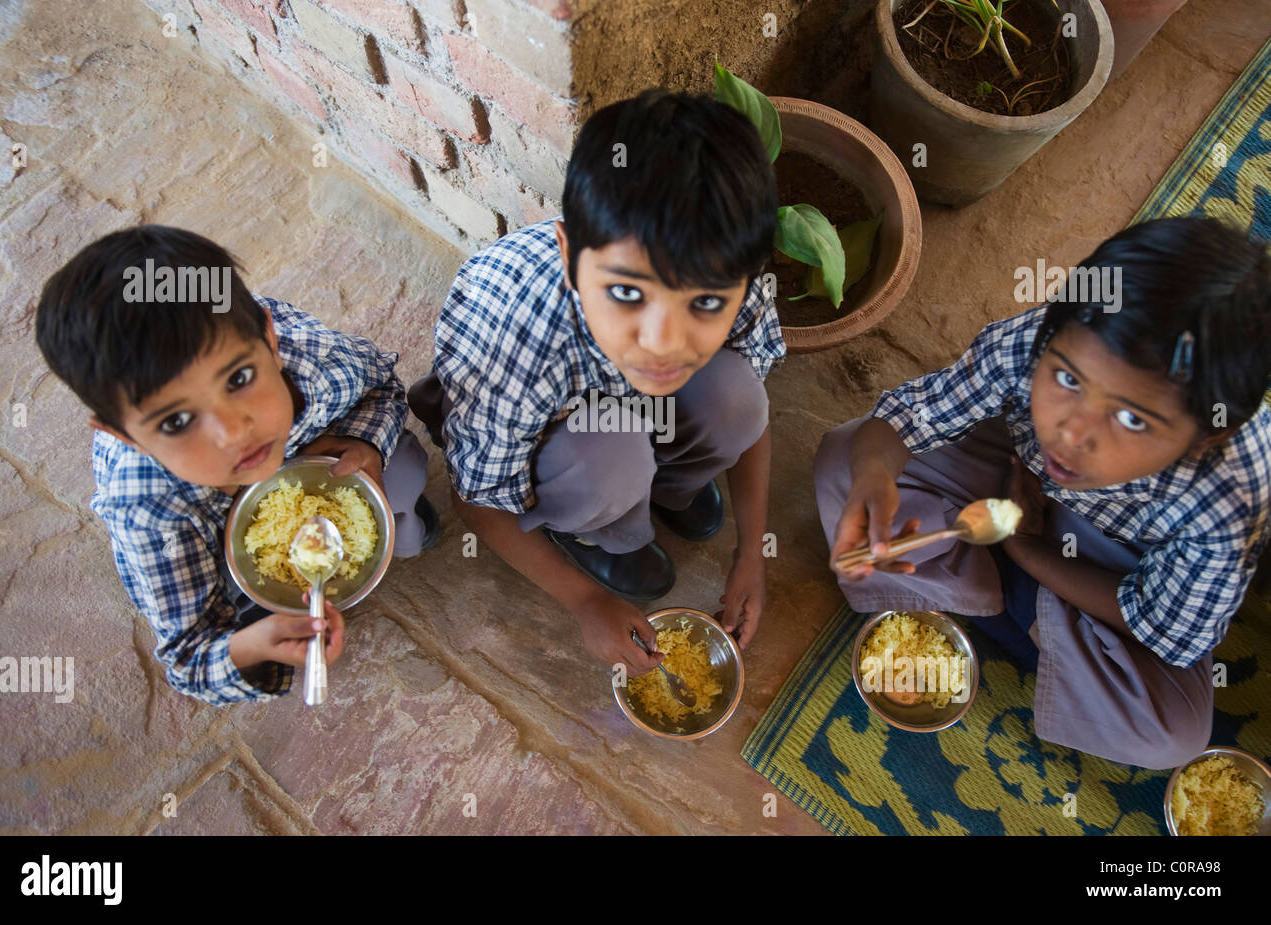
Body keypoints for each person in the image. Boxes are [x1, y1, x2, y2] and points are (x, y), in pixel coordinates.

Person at [815, 217, 1271, 768]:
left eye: (1130, 417)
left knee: (1170, 735)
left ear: (1207, 436)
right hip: (1014, 467)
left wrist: (1026, 548)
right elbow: (911, 417)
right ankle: (1039, 623)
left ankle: (1004, 586)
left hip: (1124, 558)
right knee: (845, 461)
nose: (1071, 434)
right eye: (1069, 380)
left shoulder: (1230, 506)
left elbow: (1154, 621)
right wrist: (873, 478)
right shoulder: (1041, 340)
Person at [408, 89, 784, 676]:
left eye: (706, 302)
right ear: (568, 252)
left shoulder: (731, 263)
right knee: (610, 457)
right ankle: (607, 531)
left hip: (624, 416)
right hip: (565, 442)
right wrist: (584, 600)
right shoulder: (510, 333)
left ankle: (672, 488)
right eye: (628, 294)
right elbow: (476, 497)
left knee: (737, 396)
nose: (663, 343)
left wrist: (752, 554)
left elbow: (752, 407)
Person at [35, 226, 437, 705]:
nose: (233, 433)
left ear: (269, 340)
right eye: (178, 420)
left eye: (239, 378)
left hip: (320, 449)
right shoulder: (147, 506)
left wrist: (364, 444)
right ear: (123, 435)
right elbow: (188, 659)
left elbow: (381, 387)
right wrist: (248, 647)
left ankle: (408, 519)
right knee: (241, 606)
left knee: (406, 475)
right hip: (208, 535)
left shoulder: (312, 360)